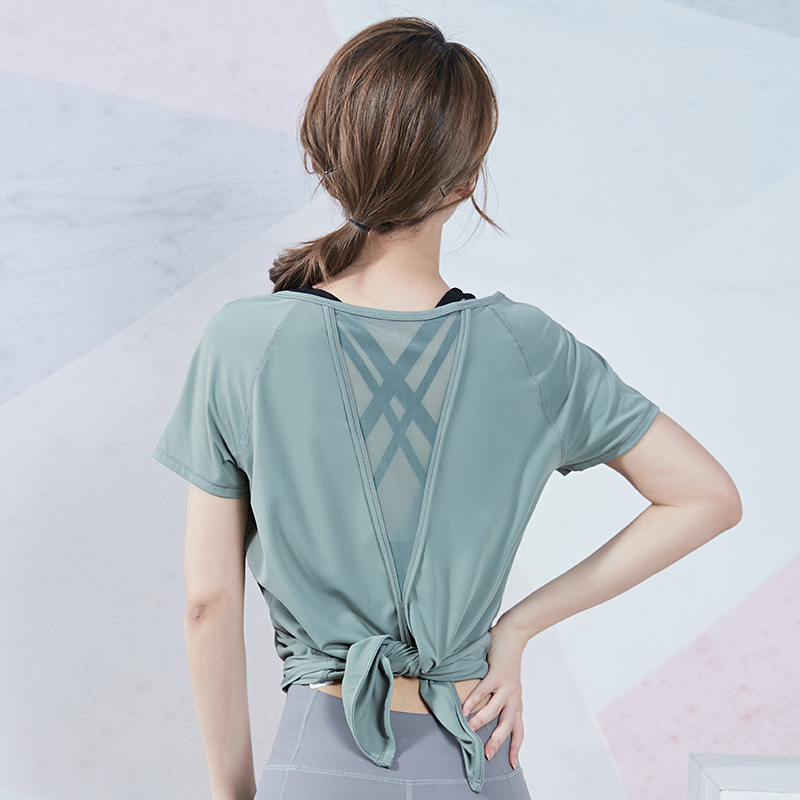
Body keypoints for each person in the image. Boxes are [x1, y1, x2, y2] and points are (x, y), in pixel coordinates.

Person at [152, 15, 743, 800]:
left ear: (328, 160)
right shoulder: (527, 347)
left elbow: (207, 604)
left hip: (320, 763)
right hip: (477, 756)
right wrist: (518, 626)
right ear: (465, 183)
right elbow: (707, 496)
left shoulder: (245, 342)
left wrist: (233, 795)